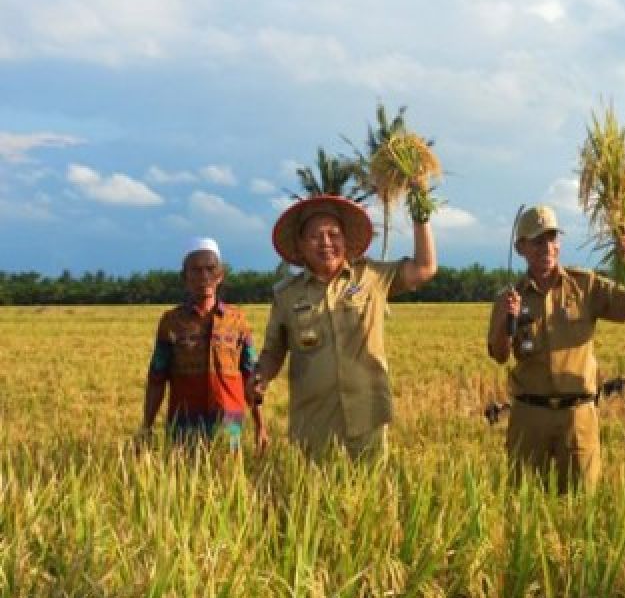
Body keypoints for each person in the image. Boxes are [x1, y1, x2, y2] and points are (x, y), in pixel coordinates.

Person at [255, 194, 436, 460]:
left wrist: (421, 214)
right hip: (313, 422)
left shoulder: (372, 276)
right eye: (316, 236)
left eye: (333, 234)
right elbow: (273, 350)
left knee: (370, 497)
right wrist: (261, 378)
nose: (326, 243)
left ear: (345, 240)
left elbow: (424, 268)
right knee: (314, 498)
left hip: (367, 417)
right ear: (301, 246)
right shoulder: (286, 295)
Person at [486, 205, 625, 492]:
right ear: (520, 247)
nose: (547, 247)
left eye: (552, 239)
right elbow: (500, 355)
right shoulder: (509, 297)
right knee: (524, 509)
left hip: (578, 417)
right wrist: (505, 319)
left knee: (581, 509)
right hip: (529, 417)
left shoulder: (584, 285)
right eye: (538, 241)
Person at [140, 237, 266, 451]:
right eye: (196, 270)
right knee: (182, 482)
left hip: (230, 425)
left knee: (230, 481)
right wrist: (147, 426)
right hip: (185, 424)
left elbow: (250, 376)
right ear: (185, 277)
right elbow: (157, 378)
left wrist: (260, 426)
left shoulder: (238, 320)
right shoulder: (171, 321)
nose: (204, 276)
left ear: (220, 275)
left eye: (210, 269)